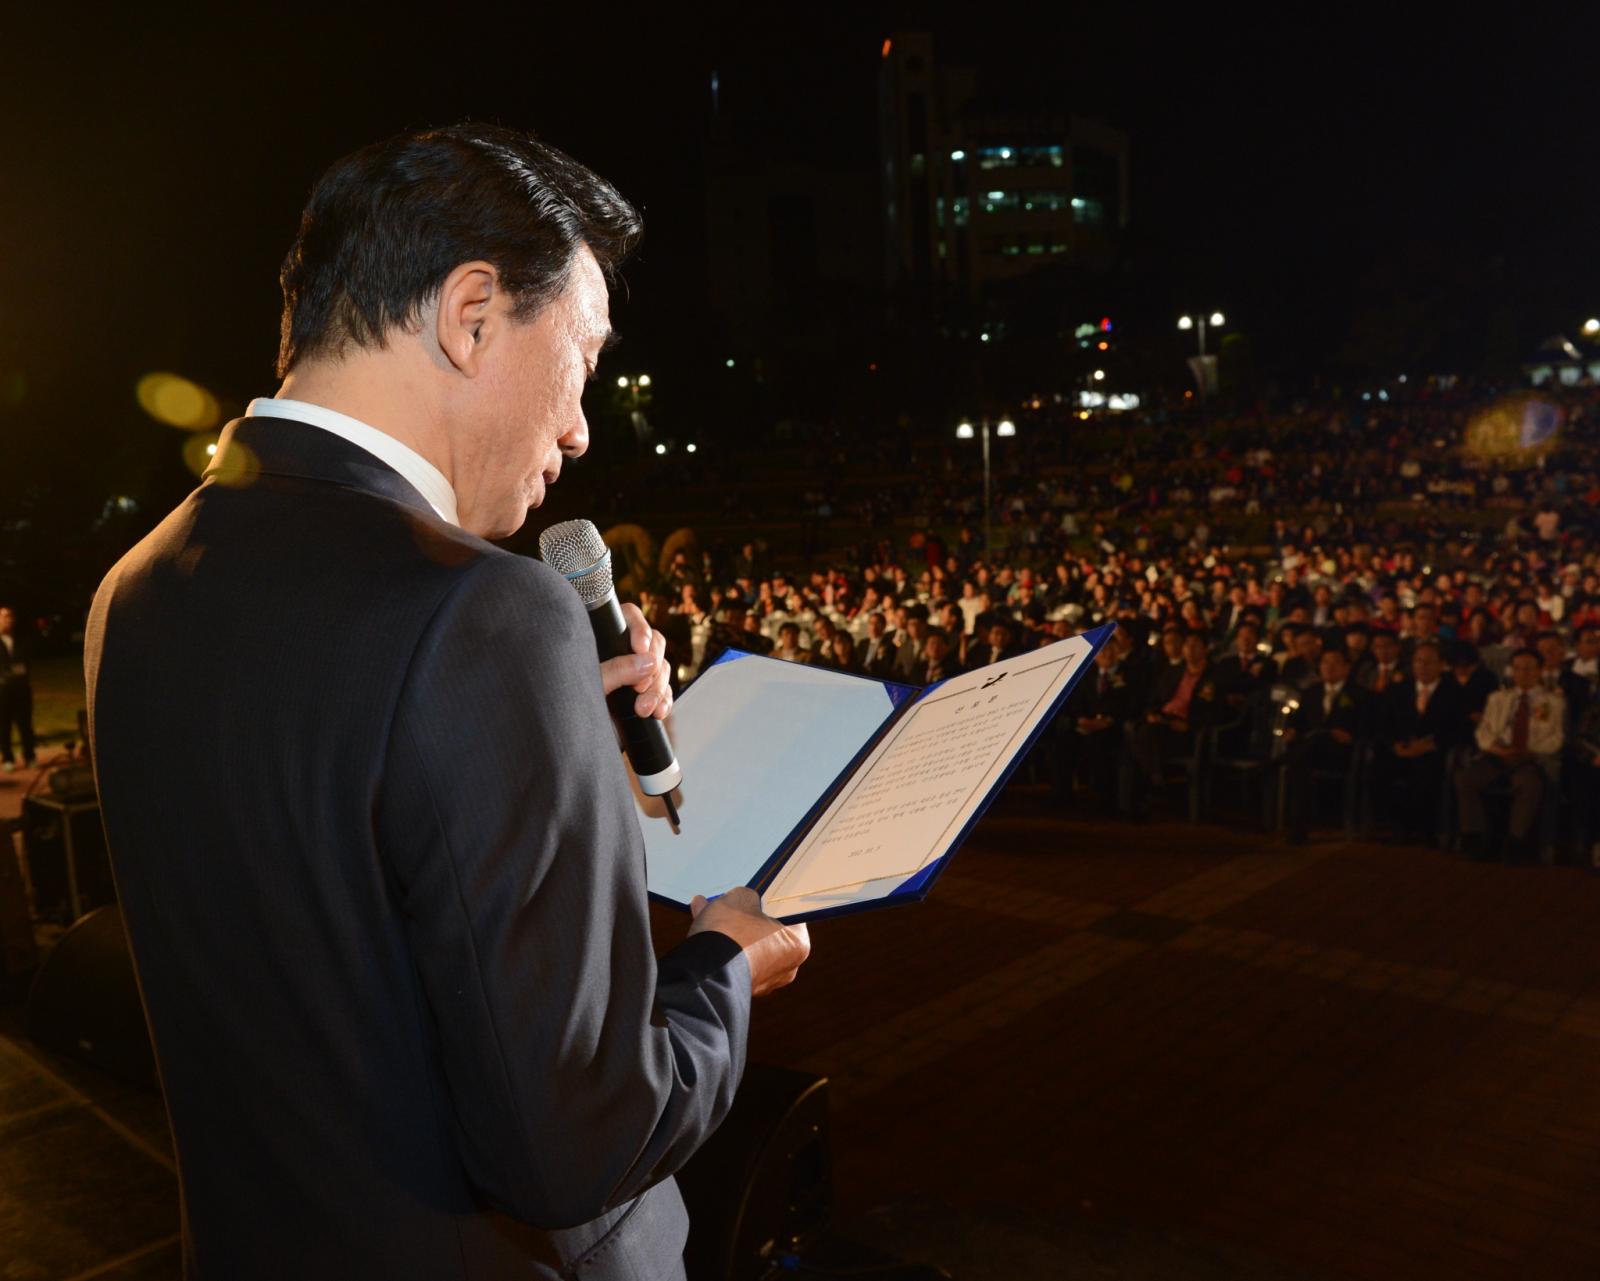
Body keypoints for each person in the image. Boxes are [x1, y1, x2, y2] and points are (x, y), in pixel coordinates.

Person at [84, 125, 809, 1281]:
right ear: (471, 315)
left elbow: (341, 919)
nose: (579, 426)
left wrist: (580, 772)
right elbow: (574, 1141)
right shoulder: (483, 613)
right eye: (582, 360)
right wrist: (723, 966)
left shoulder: (135, 587)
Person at [1456, 648, 1564, 863]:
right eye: (1517, 669)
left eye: (1528, 669)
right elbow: (1483, 731)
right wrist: (1495, 749)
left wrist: (1532, 751)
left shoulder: (1553, 702)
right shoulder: (1497, 698)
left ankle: (1516, 841)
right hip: (1497, 754)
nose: (1522, 673)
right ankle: (1475, 837)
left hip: (1530, 757)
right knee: (1466, 779)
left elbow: (1556, 738)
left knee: (1529, 785)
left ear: (1540, 671)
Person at [1376, 640, 1466, 842]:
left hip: (1434, 751)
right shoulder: (1398, 690)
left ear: (1441, 665)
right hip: (1401, 749)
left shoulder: (1454, 692)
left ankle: (1426, 829)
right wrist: (1396, 745)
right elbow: (1385, 723)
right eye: (1418, 662)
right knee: (1381, 767)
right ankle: (1395, 826)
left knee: (1428, 772)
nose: (1422, 667)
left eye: (1429, 662)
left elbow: (1458, 728)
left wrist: (1430, 745)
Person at [1281, 648, 1368, 843]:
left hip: (1340, 752)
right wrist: (1292, 730)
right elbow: (1297, 721)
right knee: (1302, 759)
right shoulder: (1311, 692)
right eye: (1325, 663)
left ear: (1346, 668)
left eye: (1335, 662)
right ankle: (1298, 826)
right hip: (1310, 752)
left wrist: (1349, 735)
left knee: (1303, 752)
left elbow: (1366, 726)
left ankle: (1275, 763)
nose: (1329, 667)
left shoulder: (1359, 694)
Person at [0, 606, 36, 770]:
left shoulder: (22, 640)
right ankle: (8, 757)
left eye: (10, 616)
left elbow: (26, 663)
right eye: (4, 616)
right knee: (4, 725)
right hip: (3, 692)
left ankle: (29, 755)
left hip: (21, 690)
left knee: (25, 724)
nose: (8, 619)